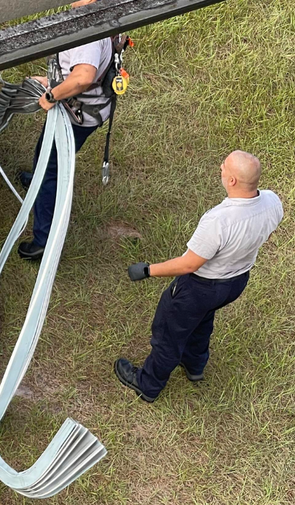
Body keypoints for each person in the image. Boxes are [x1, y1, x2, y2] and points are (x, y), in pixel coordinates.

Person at [114, 150, 283, 402]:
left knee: (169, 333)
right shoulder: (272, 201)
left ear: (233, 180)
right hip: (236, 282)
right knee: (202, 320)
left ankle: (147, 385)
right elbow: (266, 234)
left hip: (200, 288)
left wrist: (148, 270)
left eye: (224, 166)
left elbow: (188, 265)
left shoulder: (219, 221)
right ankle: (194, 365)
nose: (220, 168)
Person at [16, 0, 113, 261]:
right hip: (83, 108)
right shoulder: (100, 12)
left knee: (51, 170)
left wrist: (50, 96)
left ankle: (43, 242)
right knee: (45, 157)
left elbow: (83, 77)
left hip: (78, 115)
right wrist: (51, 81)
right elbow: (77, 70)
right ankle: (36, 179)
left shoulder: (89, 31)